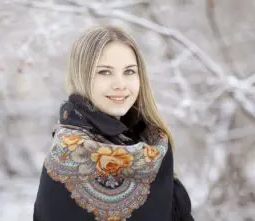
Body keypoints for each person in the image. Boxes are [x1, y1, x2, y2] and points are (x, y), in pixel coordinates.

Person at [33, 25, 194, 221]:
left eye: (129, 71)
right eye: (105, 72)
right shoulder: (67, 157)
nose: (120, 84)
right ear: (82, 76)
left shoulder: (153, 144)